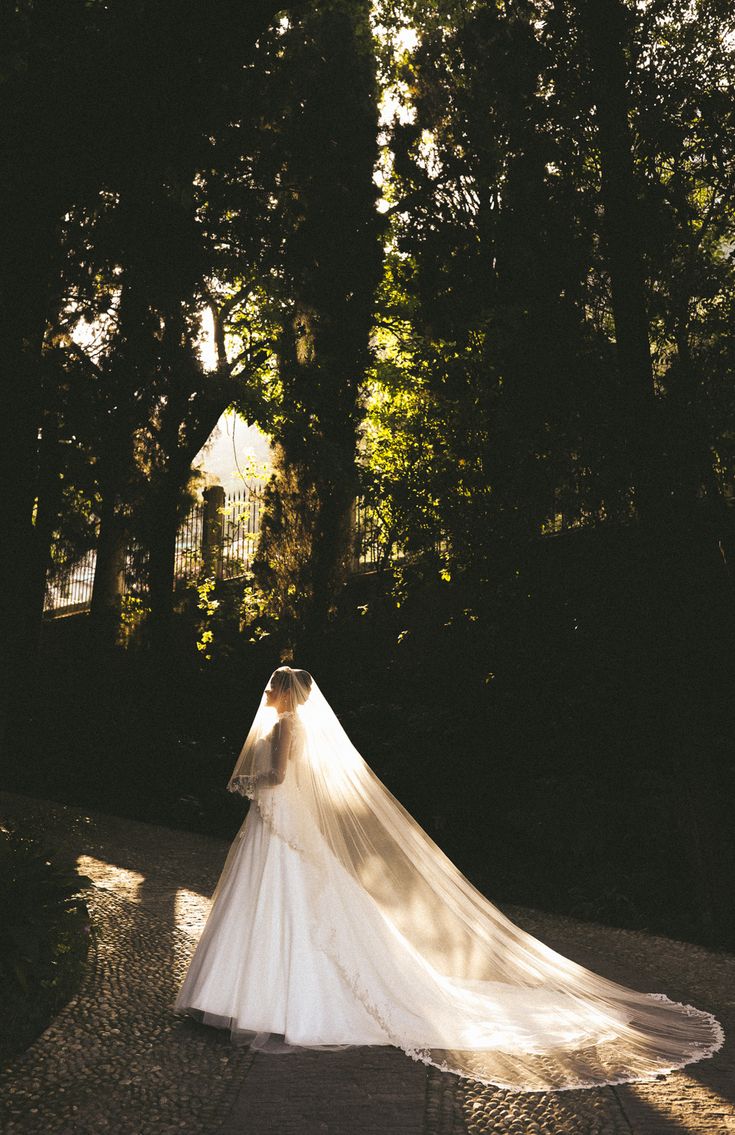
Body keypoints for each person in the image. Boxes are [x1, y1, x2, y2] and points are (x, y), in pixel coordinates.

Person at [173, 666, 724, 1092]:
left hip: (282, 821)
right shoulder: (283, 724)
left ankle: (268, 1003)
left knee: (288, 904)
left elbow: (278, 776)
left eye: (272, 688)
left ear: (286, 695)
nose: (266, 695)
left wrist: (252, 770)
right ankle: (244, 998)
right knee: (264, 903)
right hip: (277, 822)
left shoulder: (287, 727)